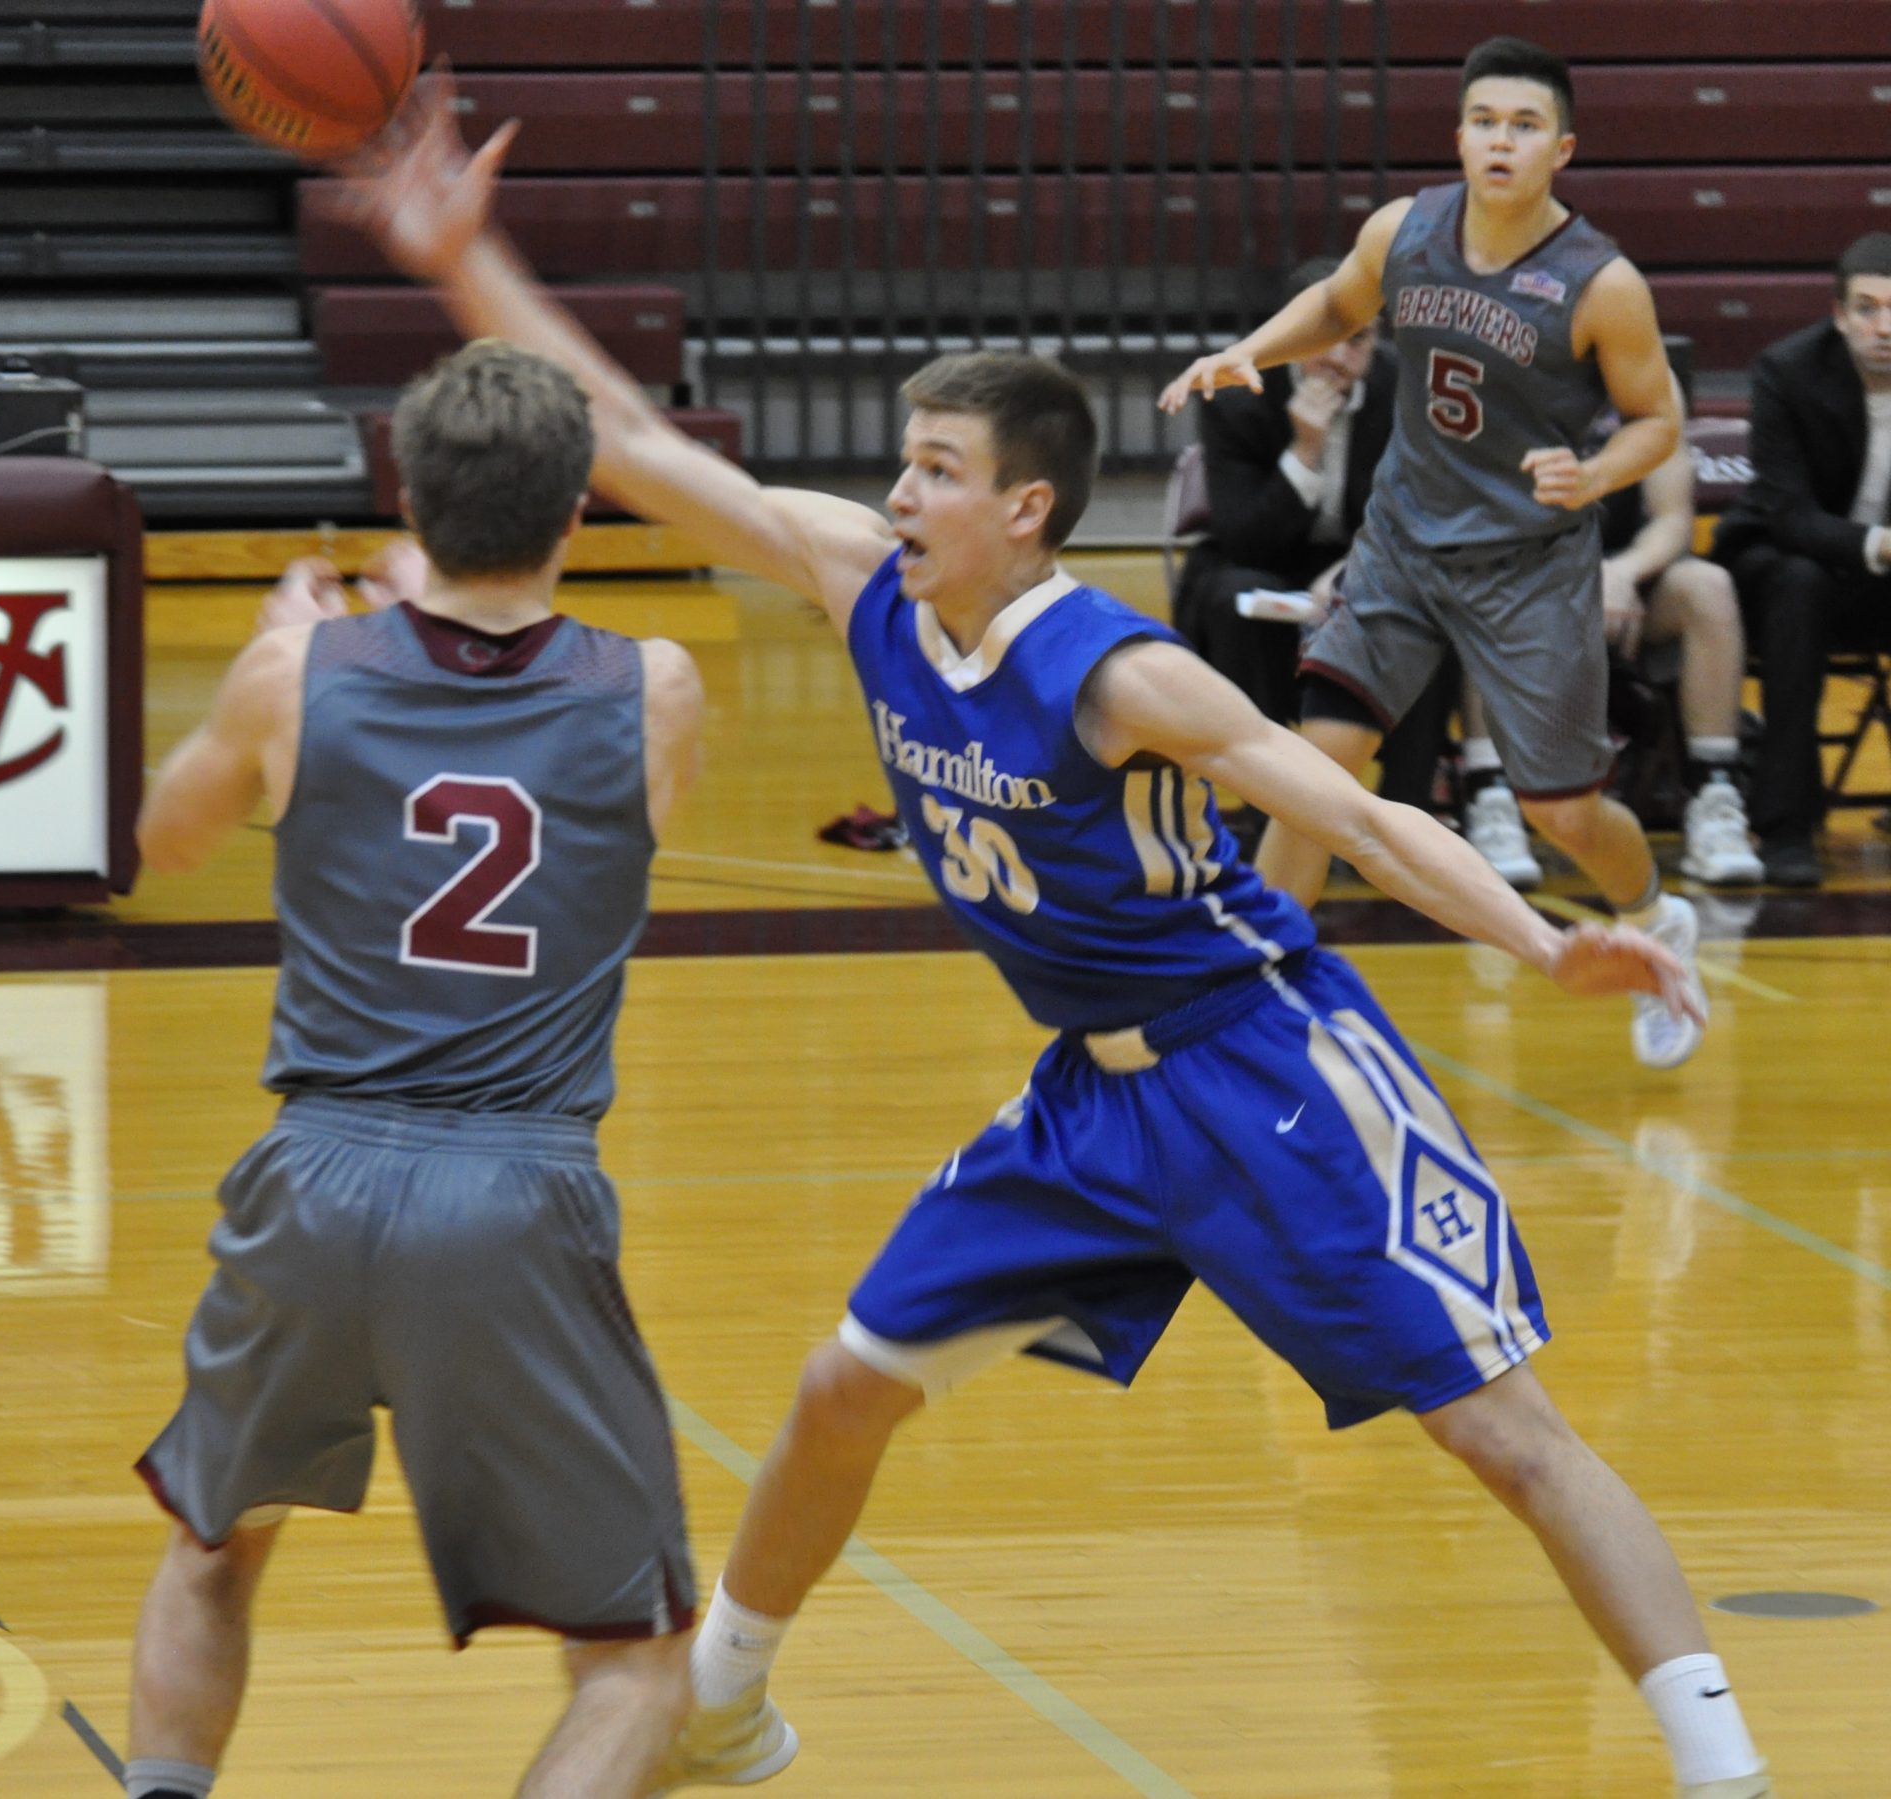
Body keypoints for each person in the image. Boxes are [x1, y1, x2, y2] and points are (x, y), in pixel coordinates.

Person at [330, 85, 1772, 1799]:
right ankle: (722, 1699)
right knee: (841, 1379)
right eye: (901, 461)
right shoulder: (866, 584)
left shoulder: (1114, 672)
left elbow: (1365, 813)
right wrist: (457, 250)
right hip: (1089, 1102)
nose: (897, 491)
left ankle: (1721, 1760)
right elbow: (629, 441)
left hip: (1264, 1065)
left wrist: (1546, 945)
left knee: (1500, 1430)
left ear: (1024, 511)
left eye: (934, 470)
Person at [123, 341, 705, 1799]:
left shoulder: (293, 676)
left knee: (210, 1551)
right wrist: (407, 612)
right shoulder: (656, 687)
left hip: (313, 1173)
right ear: (579, 511)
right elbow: (504, 706)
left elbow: (162, 840)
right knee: (637, 1658)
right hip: (515, 1190)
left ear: (406, 491)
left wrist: (305, 642)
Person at [1162, 36, 1705, 1070]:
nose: (1501, 141)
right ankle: (1252, 997)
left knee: (1561, 812)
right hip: (1405, 545)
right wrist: (1247, 350)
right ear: (1457, 135)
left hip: (1528, 570)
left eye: (1524, 125)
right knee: (1313, 768)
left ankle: (1650, 909)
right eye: (1485, 121)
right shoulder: (1404, 231)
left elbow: (1654, 420)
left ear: (1561, 148)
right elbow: (1336, 303)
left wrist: (1592, 476)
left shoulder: (1600, 283)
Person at [1171, 256, 1455, 830]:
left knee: (1433, 607)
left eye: (1359, 342)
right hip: (1260, 562)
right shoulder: (1236, 395)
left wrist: (1359, 568)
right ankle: (1269, 804)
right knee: (1237, 598)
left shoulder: (1408, 390)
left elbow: (1428, 513)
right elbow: (1245, 539)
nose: (1338, 359)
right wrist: (1304, 451)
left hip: (1363, 560)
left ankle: (1406, 814)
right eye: (1324, 341)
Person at [1465, 386, 1764, 886]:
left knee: (1708, 589)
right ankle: (1491, 798)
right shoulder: (1501, 361)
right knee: (1484, 591)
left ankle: (1714, 795)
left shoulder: (1649, 377)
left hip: (1627, 589)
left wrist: (1622, 573)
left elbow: (1672, 522)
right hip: (1522, 577)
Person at [1711, 230, 1891, 887]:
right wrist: (1879, 544)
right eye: (1868, 308)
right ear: (1840, 315)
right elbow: (1788, 514)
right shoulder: (1787, 369)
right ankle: (1786, 827)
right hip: (1774, 566)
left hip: (1876, 585)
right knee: (1800, 582)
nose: (1885, 326)